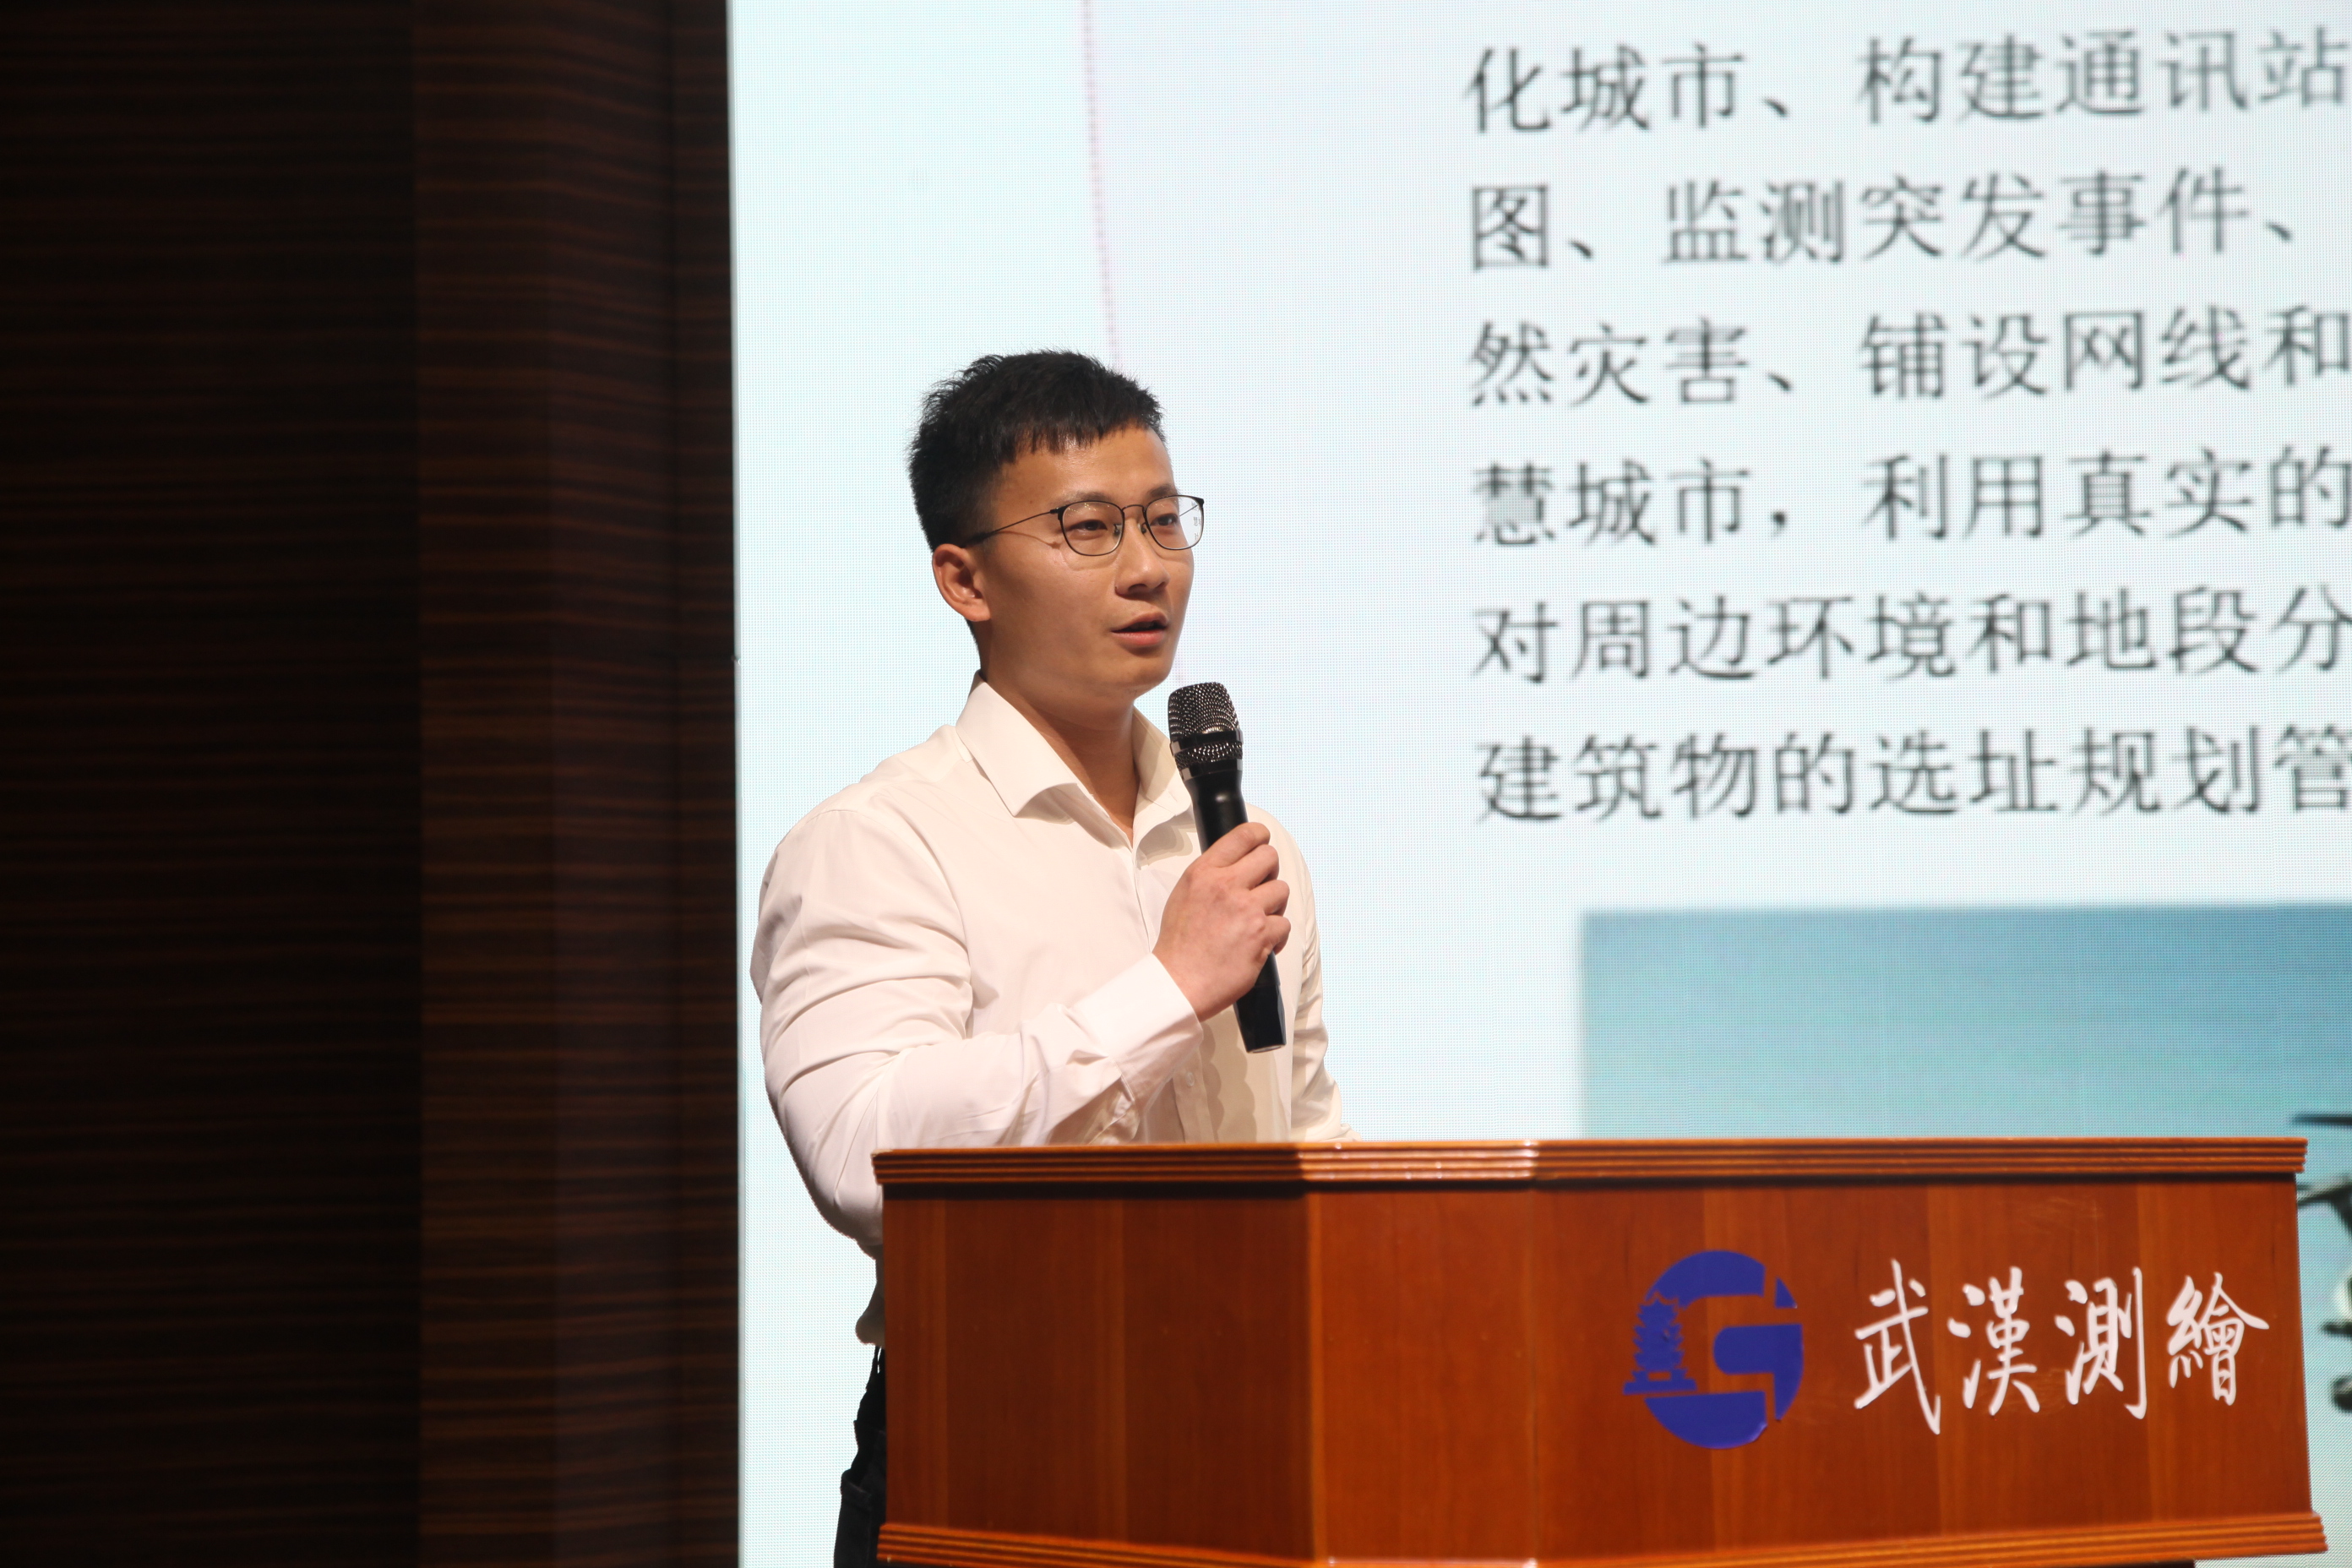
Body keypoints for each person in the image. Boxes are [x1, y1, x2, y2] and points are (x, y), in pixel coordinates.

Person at [749, 350, 1348, 1568]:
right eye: (1088, 529)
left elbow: (1307, 1135)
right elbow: (865, 1157)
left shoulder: (1245, 841)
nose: (1147, 567)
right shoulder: (878, 840)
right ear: (963, 578)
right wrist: (1167, 990)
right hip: (998, 1439)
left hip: (1250, 1430)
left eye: (1164, 520)